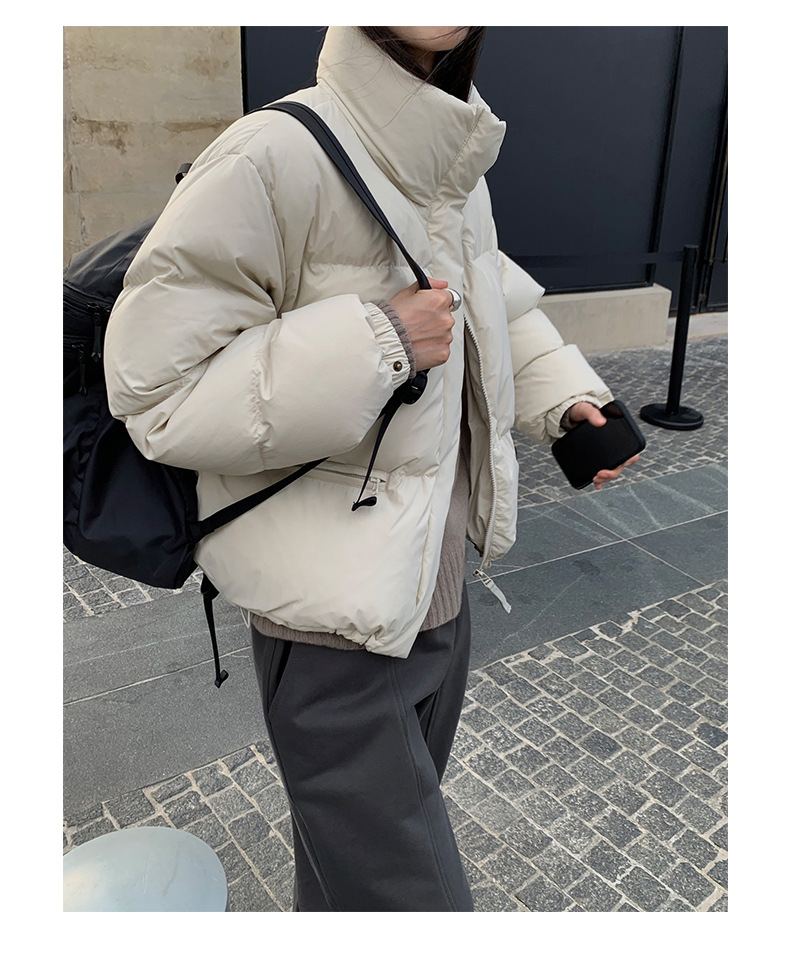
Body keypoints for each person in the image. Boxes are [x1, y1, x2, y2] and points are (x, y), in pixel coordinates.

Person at [104, 26, 638, 912]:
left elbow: (491, 304)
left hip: (439, 597)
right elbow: (157, 391)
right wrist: (381, 339)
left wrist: (567, 399)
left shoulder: (452, 159)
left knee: (349, 886)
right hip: (330, 632)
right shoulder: (267, 153)